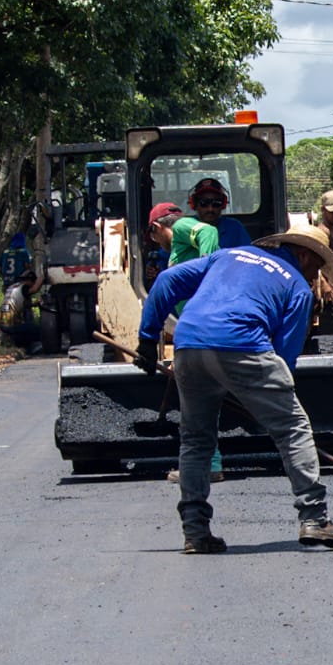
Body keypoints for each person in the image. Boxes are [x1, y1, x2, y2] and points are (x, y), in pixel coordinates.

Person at [135, 223, 333, 554]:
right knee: (293, 429)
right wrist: (267, 403)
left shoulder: (226, 256)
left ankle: (196, 532)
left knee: (197, 440)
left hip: (189, 343)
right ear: (301, 254)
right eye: (316, 265)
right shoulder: (297, 286)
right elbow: (285, 357)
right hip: (243, 345)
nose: (316, 275)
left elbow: (167, 281)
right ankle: (314, 518)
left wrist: (147, 339)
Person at [148, 201, 225, 482]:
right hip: (196, 325)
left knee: (197, 395)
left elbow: (208, 233)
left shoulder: (180, 226)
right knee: (202, 394)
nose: (155, 243)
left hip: (202, 326)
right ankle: (210, 463)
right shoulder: (180, 246)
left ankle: (205, 466)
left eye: (153, 237)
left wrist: (209, 270)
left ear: (157, 227)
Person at [188, 177, 251, 249]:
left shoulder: (235, 228)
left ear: (223, 204)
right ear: (194, 204)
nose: (210, 209)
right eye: (204, 203)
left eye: (216, 203)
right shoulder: (184, 229)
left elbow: (248, 254)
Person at [0, 268, 43, 355]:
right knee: (39, 331)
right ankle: (28, 347)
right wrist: (43, 276)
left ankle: (14, 341)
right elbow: (34, 289)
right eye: (33, 282)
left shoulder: (13, 287)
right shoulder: (24, 287)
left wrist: (35, 304)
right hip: (11, 325)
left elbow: (23, 305)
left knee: (25, 329)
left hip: (2, 324)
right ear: (30, 281)